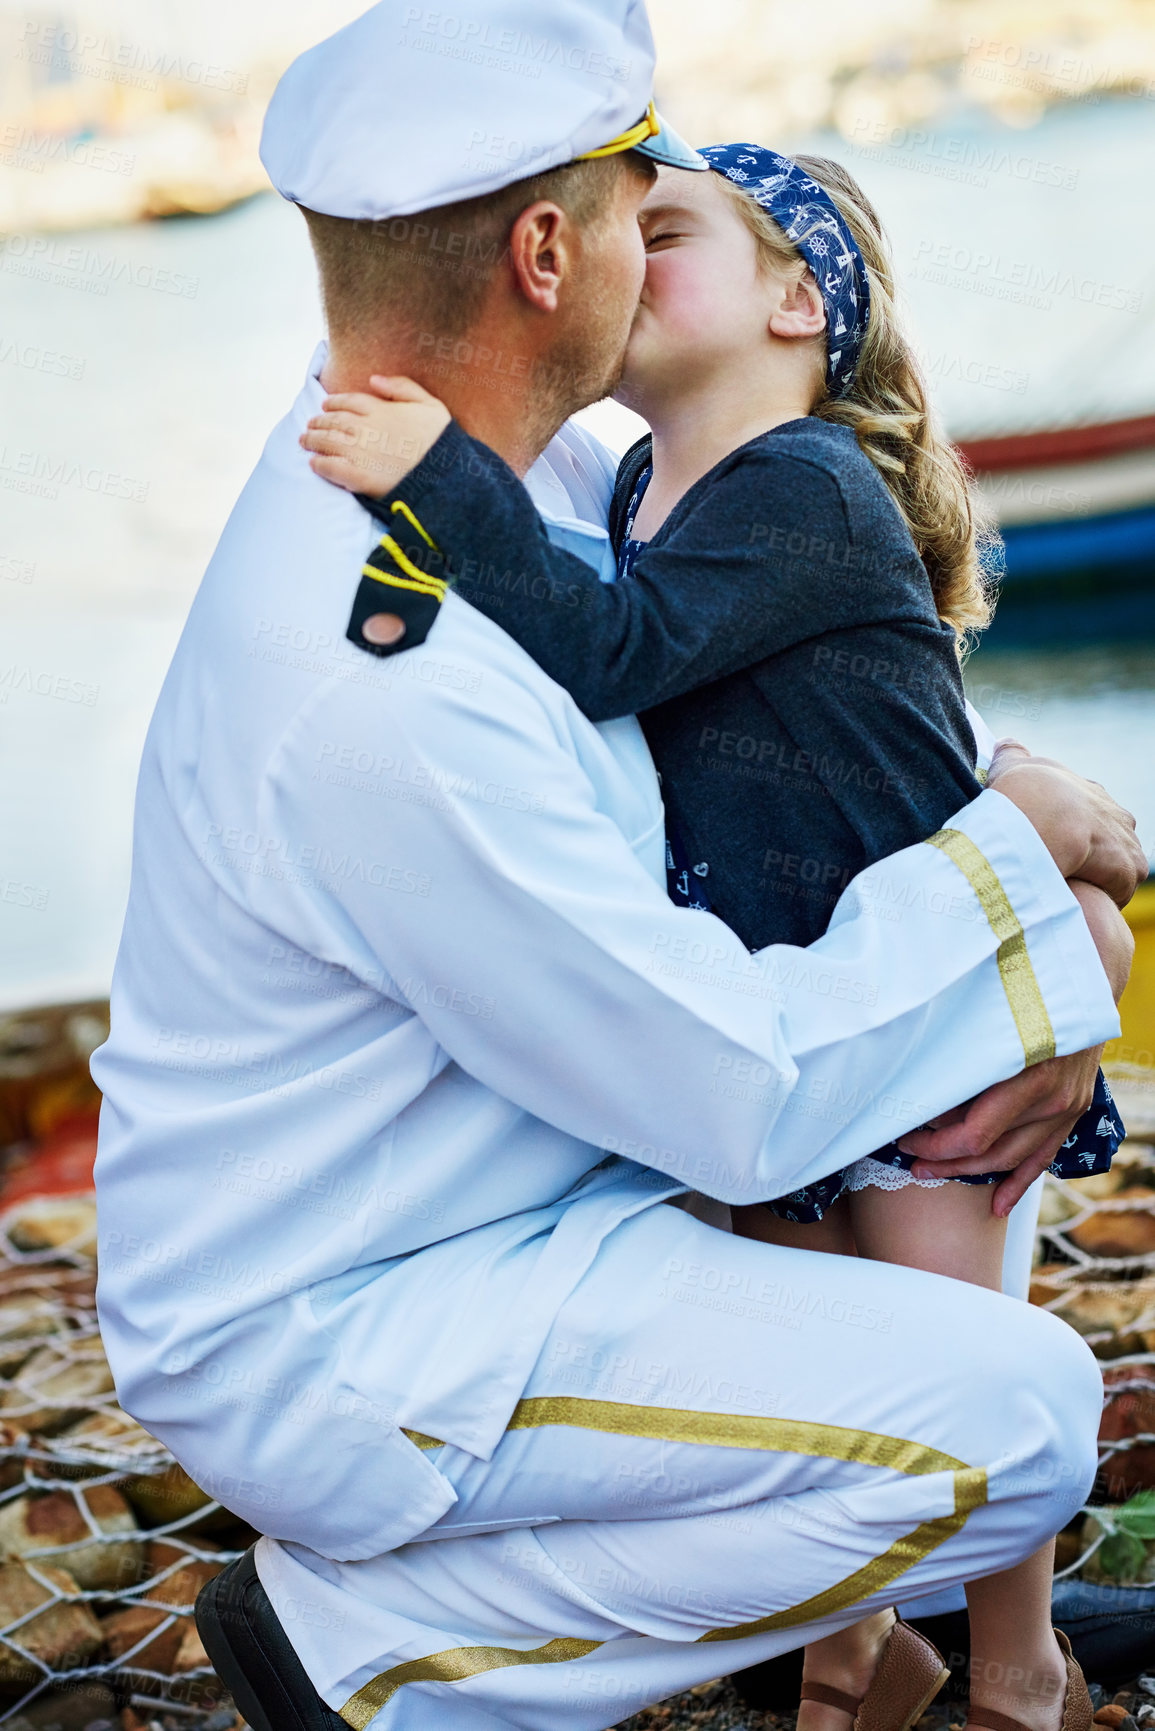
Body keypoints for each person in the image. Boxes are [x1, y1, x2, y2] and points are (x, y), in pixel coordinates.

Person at [87, 6, 1144, 1731]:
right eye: (641, 202)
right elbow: (737, 1092)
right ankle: (378, 1654)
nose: (660, 241)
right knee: (1015, 1415)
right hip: (364, 1321)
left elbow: (826, 710)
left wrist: (1025, 855)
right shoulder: (385, 673)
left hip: (516, 1179)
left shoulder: (545, 458)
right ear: (545, 249)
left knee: (946, 1122)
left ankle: (871, 1610)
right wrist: (1020, 896)